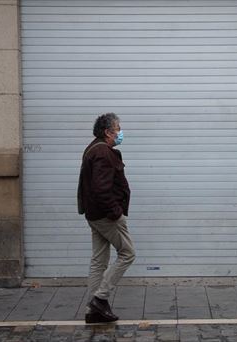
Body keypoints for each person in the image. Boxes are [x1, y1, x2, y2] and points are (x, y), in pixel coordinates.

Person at [77, 113, 135, 323]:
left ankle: (92, 311)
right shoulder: (102, 152)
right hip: (106, 216)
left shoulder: (94, 148)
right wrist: (116, 213)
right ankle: (100, 299)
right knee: (128, 253)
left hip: (94, 214)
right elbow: (101, 189)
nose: (120, 132)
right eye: (118, 128)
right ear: (107, 132)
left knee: (99, 260)